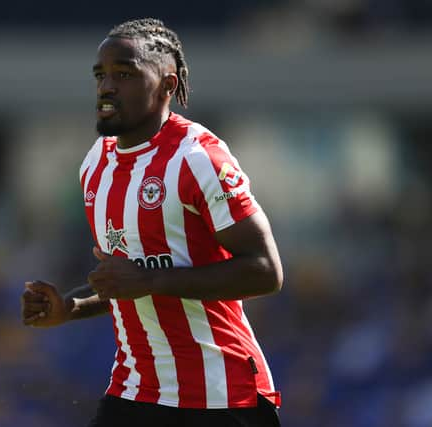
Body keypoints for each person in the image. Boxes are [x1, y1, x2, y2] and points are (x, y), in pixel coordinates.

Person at [21, 18, 283, 427]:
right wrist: (70, 307)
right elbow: (128, 279)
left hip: (220, 396)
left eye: (124, 73)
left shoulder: (200, 158)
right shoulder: (96, 165)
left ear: (167, 84)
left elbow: (265, 272)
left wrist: (149, 281)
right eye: (100, 75)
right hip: (135, 391)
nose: (107, 86)